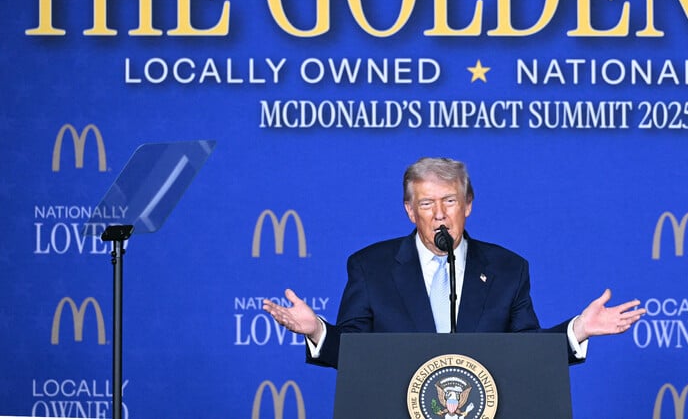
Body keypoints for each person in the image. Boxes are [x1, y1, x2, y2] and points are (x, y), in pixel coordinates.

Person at [263, 156, 646, 369]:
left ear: (468, 207)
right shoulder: (370, 266)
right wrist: (318, 331)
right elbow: (357, 353)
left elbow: (526, 351)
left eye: (449, 201)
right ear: (410, 212)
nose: (440, 215)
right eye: (427, 204)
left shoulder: (508, 269)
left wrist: (577, 330)